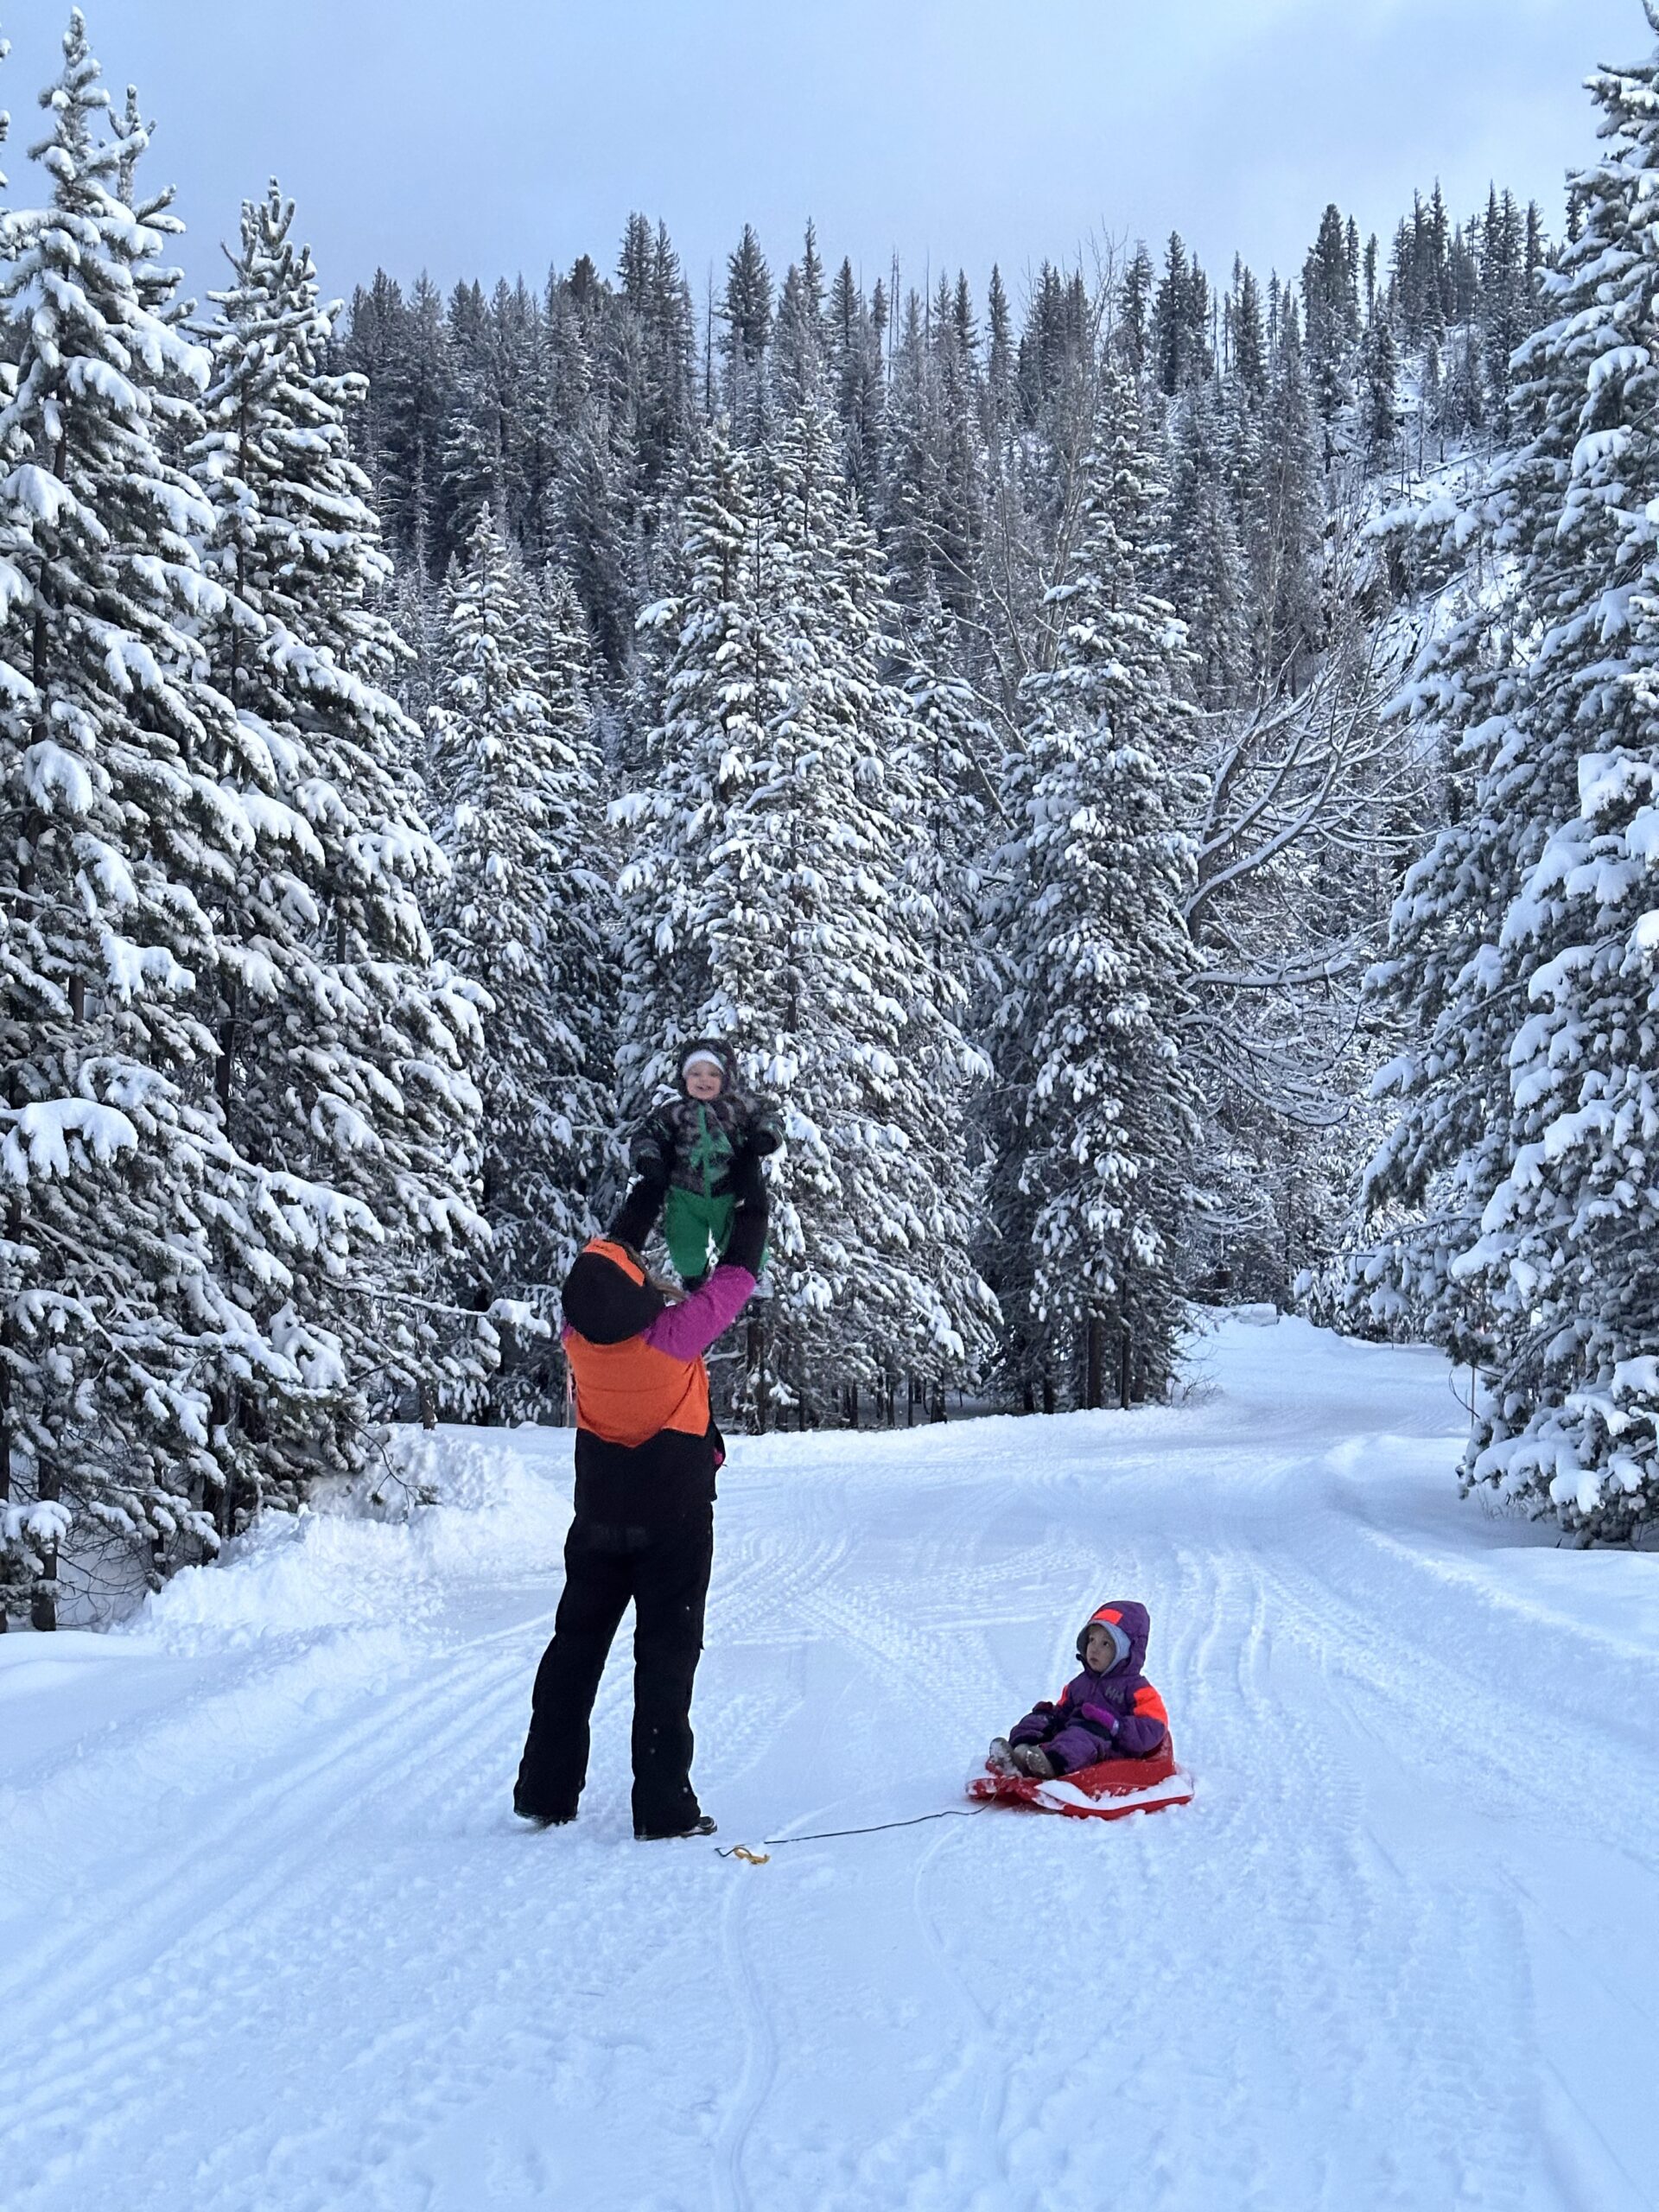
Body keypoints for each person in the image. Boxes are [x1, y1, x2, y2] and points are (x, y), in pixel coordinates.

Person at [512, 1153, 769, 1840]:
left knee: (574, 1649)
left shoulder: (579, 1339)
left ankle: (545, 1788)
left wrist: (651, 1189)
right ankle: (662, 1807)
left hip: (599, 1516)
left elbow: (610, 1259)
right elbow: (739, 1274)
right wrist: (752, 1196)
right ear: (638, 1298)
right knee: (665, 1657)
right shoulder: (673, 1337)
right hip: (675, 1520)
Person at [628, 1039, 781, 1287]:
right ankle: (693, 1278)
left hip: (730, 1192)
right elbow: (647, 1134)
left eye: (713, 1073)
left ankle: (753, 1276)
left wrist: (765, 1136)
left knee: (743, 1240)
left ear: (727, 1076)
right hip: (684, 1194)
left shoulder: (737, 1107)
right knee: (683, 1243)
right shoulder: (676, 1112)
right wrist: (648, 1159)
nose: (704, 1079)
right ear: (683, 1078)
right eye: (695, 1073)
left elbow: (769, 1115)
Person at [988, 1601, 1169, 1780]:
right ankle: (1020, 1751)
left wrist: (1114, 1725)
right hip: (1071, 1734)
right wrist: (1049, 1715)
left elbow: (1153, 1728)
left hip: (1109, 1745)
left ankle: (1051, 1764)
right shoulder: (1080, 1683)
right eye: (1092, 1640)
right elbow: (1063, 1713)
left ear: (1126, 1651)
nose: (1094, 1649)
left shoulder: (1138, 1689)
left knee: (1082, 1734)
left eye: (1105, 1644)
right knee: (1039, 1719)